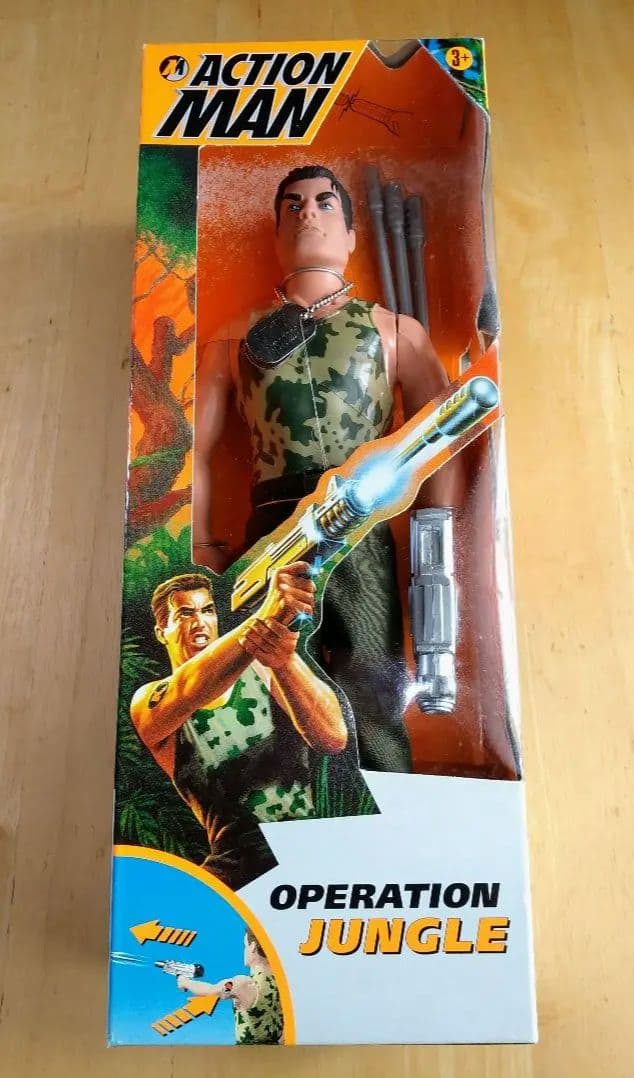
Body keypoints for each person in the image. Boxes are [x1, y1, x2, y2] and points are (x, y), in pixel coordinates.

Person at [194, 165, 463, 773]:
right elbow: (199, 453)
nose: (307, 213)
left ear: (351, 235)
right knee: (268, 681)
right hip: (273, 526)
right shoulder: (235, 339)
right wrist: (205, 548)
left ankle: (391, 795)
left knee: (371, 677)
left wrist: (434, 540)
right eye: (292, 205)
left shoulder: (393, 330)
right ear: (275, 233)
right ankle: (282, 805)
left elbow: (442, 437)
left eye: (323, 203)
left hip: (362, 520)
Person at [130, 562, 348, 889]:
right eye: (185, 614)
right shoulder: (151, 700)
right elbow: (191, 686)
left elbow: (332, 738)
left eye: (207, 610)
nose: (200, 623)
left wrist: (285, 660)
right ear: (162, 632)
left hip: (309, 854)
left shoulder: (263, 667)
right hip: (237, 868)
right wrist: (267, 614)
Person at [176, 928, 283, 1045]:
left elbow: (210, 991)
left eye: (245, 946)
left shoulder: (240, 984)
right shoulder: (282, 983)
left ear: (252, 947)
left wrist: (185, 982)